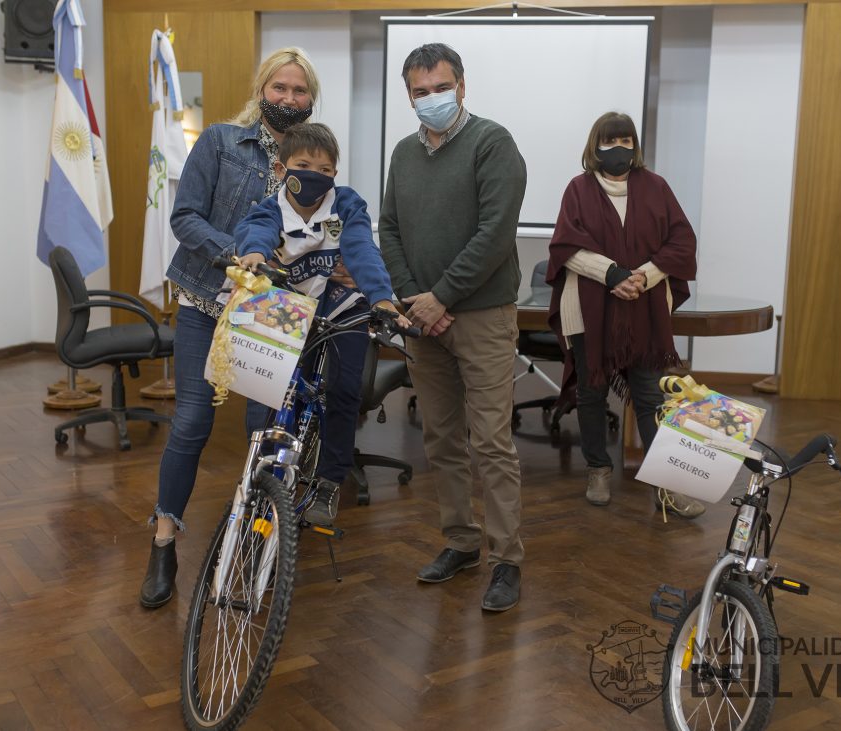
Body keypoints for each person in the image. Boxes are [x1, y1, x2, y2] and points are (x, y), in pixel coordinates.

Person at [140, 47, 322, 609]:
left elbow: (322, 229)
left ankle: (250, 534)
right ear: (261, 89)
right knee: (192, 420)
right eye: (279, 89)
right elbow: (184, 217)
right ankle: (164, 539)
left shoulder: (315, 159)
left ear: (311, 99)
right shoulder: (220, 141)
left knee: (260, 429)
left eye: (299, 92)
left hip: (272, 311)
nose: (288, 99)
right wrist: (233, 255)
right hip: (205, 299)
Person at [379, 43, 527, 612]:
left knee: (490, 441)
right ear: (409, 96)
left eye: (441, 88)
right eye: (420, 92)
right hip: (423, 319)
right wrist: (417, 301)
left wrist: (440, 297)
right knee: (440, 437)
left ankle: (507, 558)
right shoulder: (403, 153)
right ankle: (461, 542)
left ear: (461, 86)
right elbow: (388, 229)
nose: (431, 99)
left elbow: (494, 234)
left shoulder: (493, 143)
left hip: (482, 316)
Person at [233, 122, 411, 526]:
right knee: (267, 391)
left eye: (327, 170)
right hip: (286, 306)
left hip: (341, 305)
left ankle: (330, 482)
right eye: (304, 165)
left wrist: (382, 297)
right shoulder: (269, 208)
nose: (316, 175)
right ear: (281, 171)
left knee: (344, 390)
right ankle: (264, 475)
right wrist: (256, 254)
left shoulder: (345, 205)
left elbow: (360, 246)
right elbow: (255, 231)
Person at [546, 111, 701, 518]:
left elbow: (681, 242)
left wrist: (643, 278)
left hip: (644, 311)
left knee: (650, 396)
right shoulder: (577, 190)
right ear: (594, 146)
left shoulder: (656, 187)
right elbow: (565, 247)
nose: (619, 149)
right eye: (610, 141)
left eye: (626, 141)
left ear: (635, 146)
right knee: (592, 392)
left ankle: (666, 484)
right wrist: (612, 274)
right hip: (587, 309)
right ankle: (598, 468)